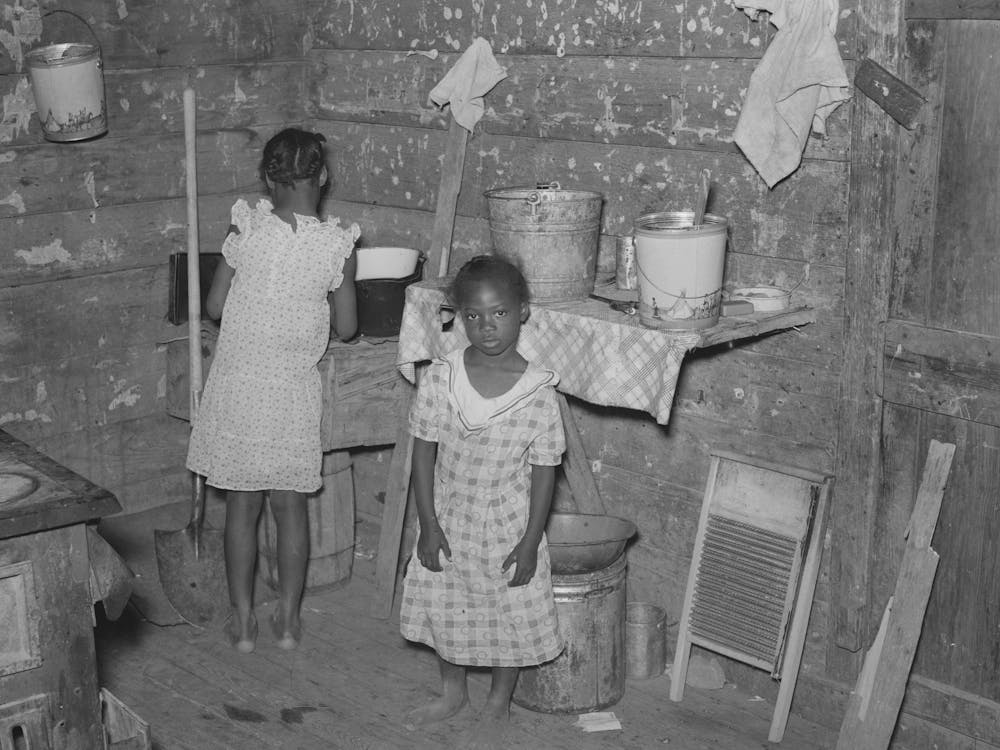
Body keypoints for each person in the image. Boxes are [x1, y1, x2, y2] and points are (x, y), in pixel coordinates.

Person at [186, 128, 359, 653]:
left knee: (242, 509)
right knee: (289, 508)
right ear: (323, 178)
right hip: (289, 391)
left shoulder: (249, 226)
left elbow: (214, 307)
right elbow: (347, 327)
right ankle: (288, 619)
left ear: (266, 179)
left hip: (239, 386)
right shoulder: (336, 244)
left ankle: (242, 622)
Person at [399, 255, 566, 737]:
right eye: (473, 315)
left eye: (499, 313)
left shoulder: (538, 392)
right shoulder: (439, 377)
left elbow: (544, 473)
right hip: (450, 513)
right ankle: (452, 691)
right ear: (458, 316)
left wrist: (532, 539)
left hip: (509, 519)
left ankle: (499, 700)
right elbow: (422, 454)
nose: (487, 326)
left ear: (523, 312)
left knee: (507, 605)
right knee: (447, 597)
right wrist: (428, 523)